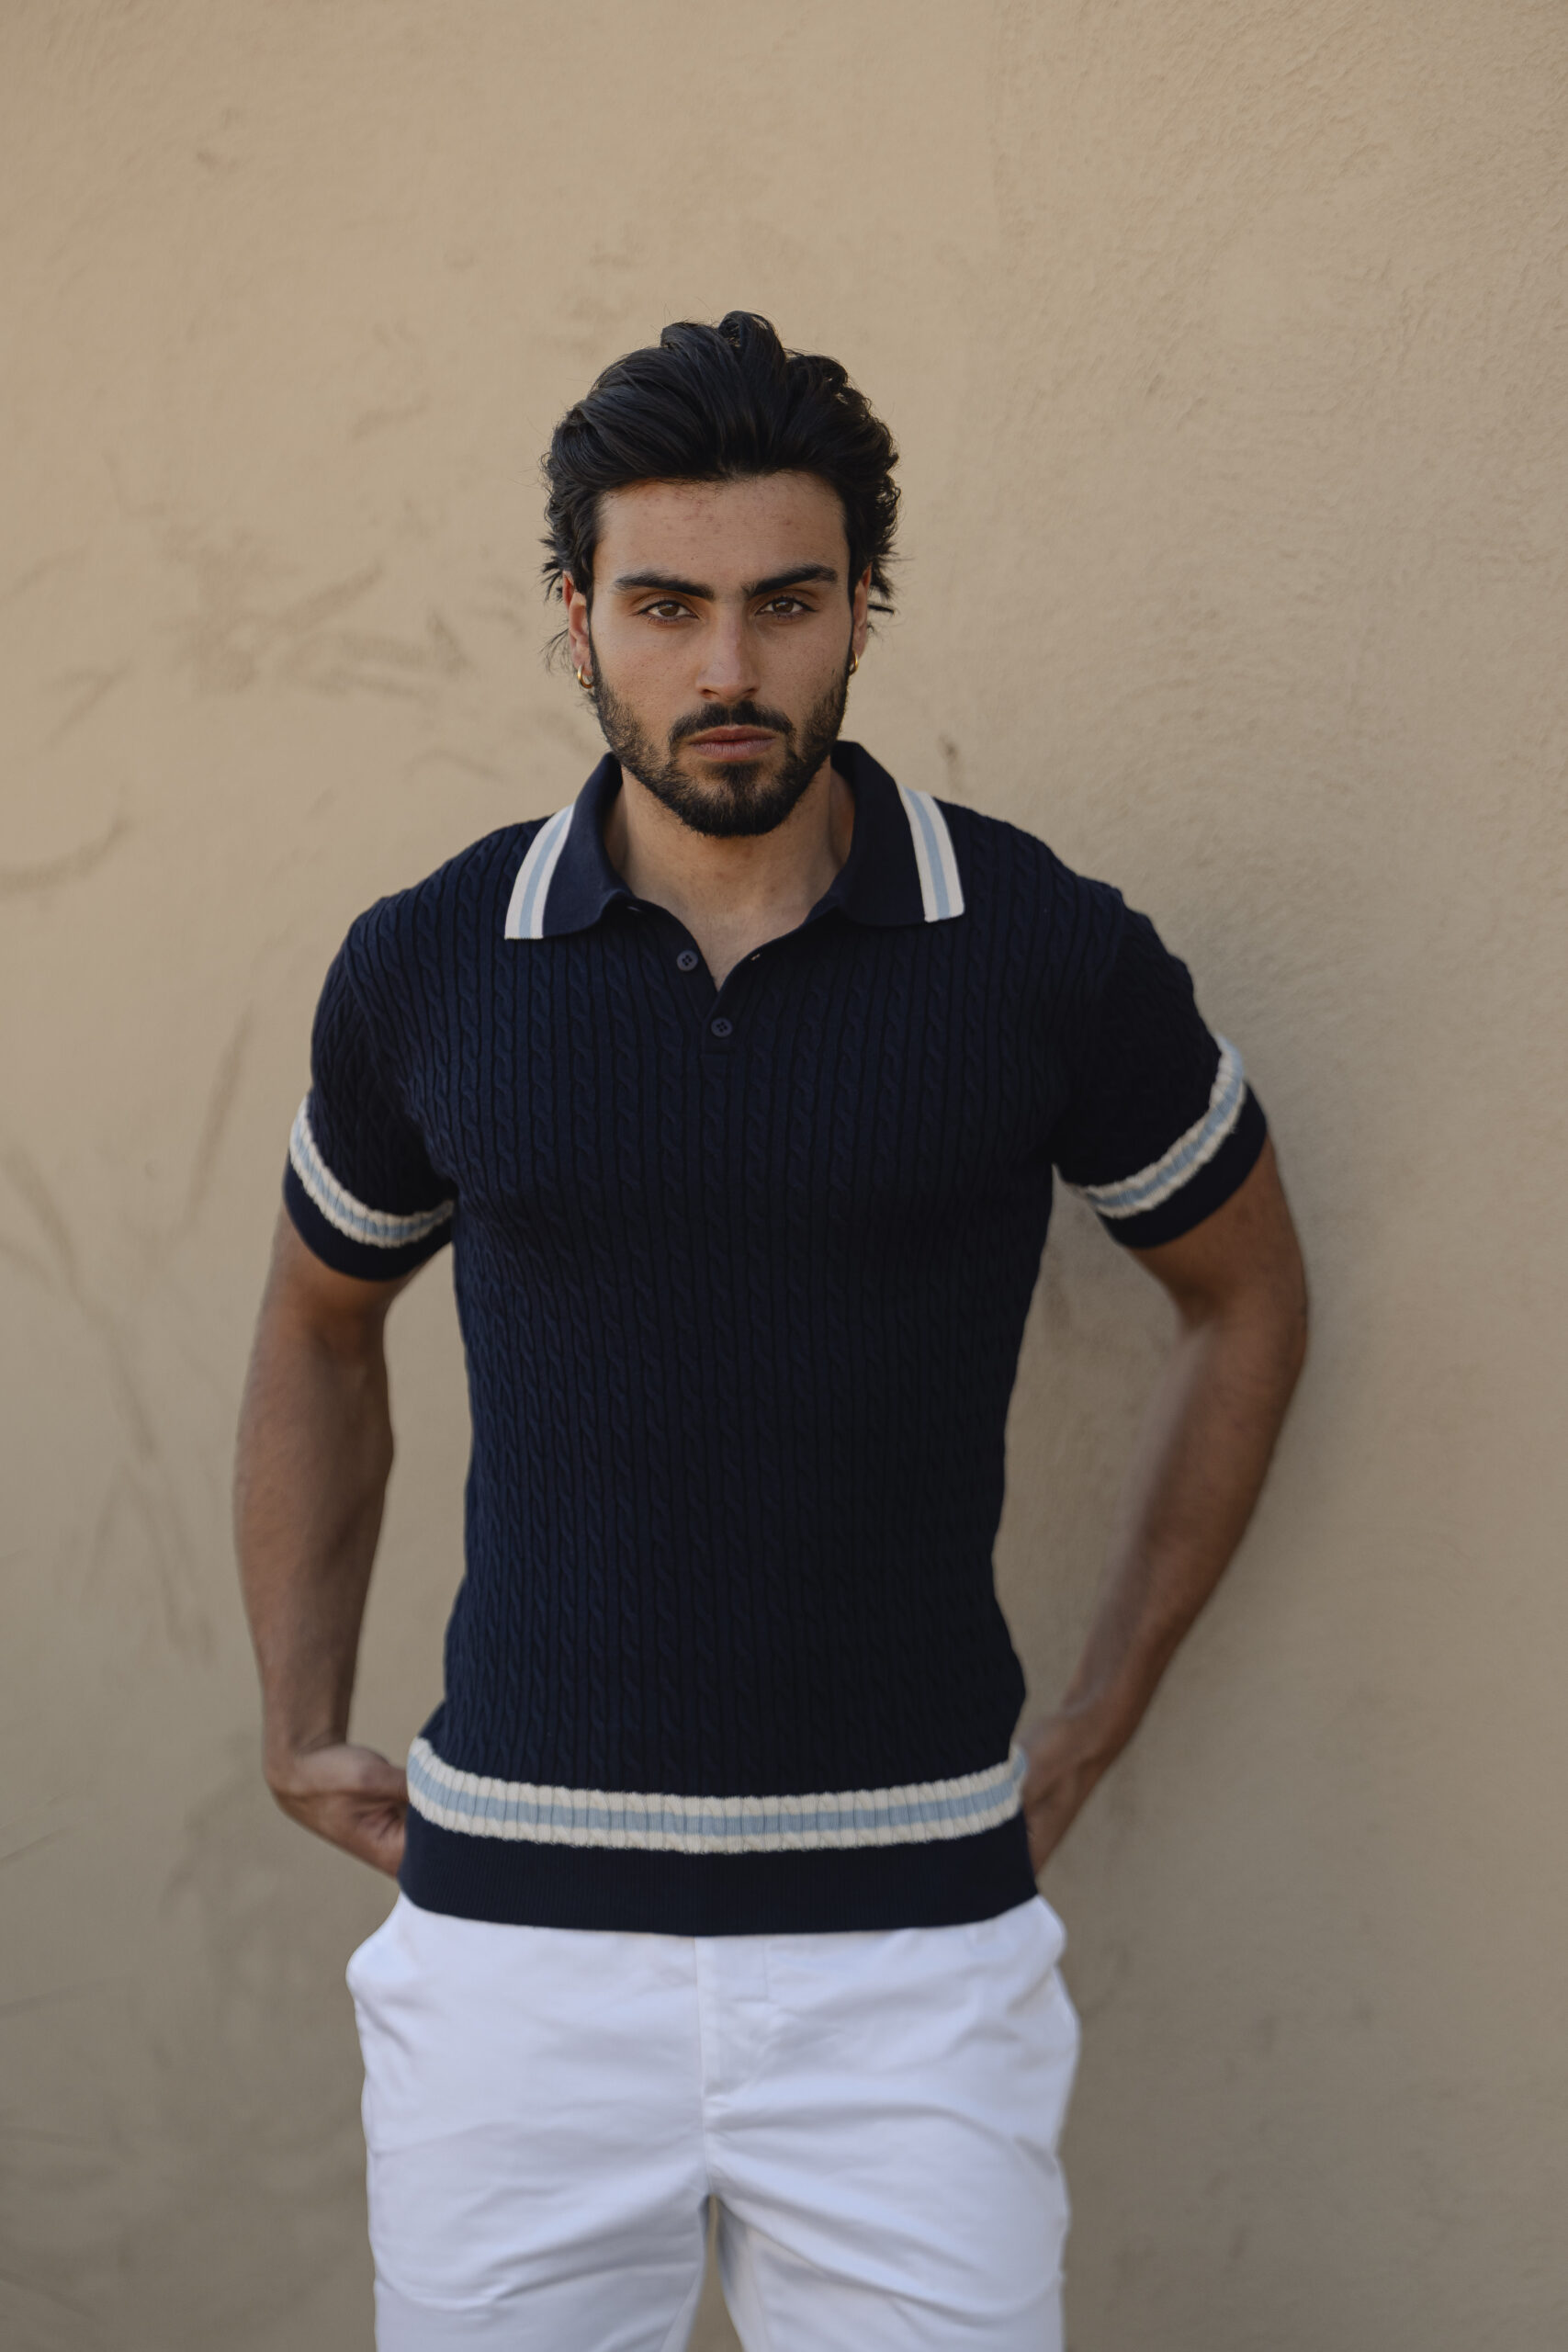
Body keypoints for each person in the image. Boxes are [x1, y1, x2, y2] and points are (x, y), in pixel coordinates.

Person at [234, 311, 1307, 2352]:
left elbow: (1245, 1290)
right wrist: (297, 1712)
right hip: (516, 1961)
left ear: (859, 607)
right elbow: (315, 1319)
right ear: (575, 618)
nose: (725, 668)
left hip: (914, 1960)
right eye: (665, 604)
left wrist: (1096, 1712)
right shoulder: (432, 966)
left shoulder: (1043, 952)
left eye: (784, 602)